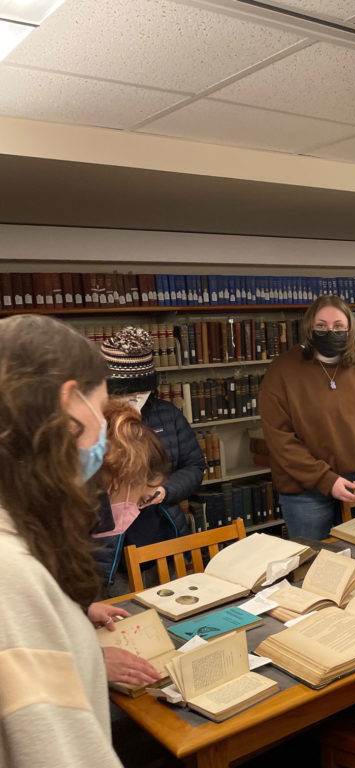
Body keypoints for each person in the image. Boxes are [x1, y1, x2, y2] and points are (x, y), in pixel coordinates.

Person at [0, 314, 124, 767]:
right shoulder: (9, 577)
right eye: (102, 412)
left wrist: (71, 612)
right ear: (70, 403)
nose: (105, 444)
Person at [259, 295, 355, 539]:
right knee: (314, 569)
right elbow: (280, 439)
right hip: (306, 491)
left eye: (338, 327)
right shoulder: (281, 370)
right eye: (321, 326)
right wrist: (325, 479)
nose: (330, 332)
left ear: (349, 330)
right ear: (309, 328)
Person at [92, 327, 205, 594]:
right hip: (112, 551)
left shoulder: (168, 416)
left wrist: (164, 490)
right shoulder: (91, 424)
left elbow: (194, 466)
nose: (132, 400)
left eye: (139, 391)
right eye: (123, 391)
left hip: (163, 535)